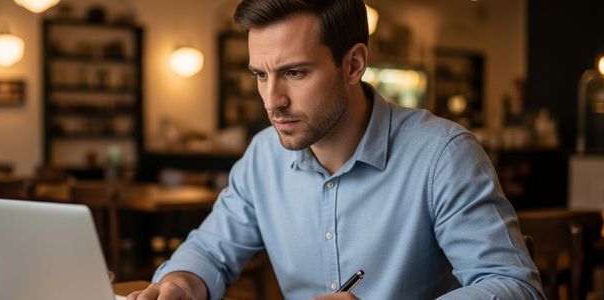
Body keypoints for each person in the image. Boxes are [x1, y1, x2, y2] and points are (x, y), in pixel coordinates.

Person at [127, 0, 544, 299]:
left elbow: (514, 286)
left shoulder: (442, 155)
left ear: (353, 64)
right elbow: (210, 249)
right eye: (260, 75)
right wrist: (182, 282)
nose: (272, 100)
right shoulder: (263, 156)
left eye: (294, 72)